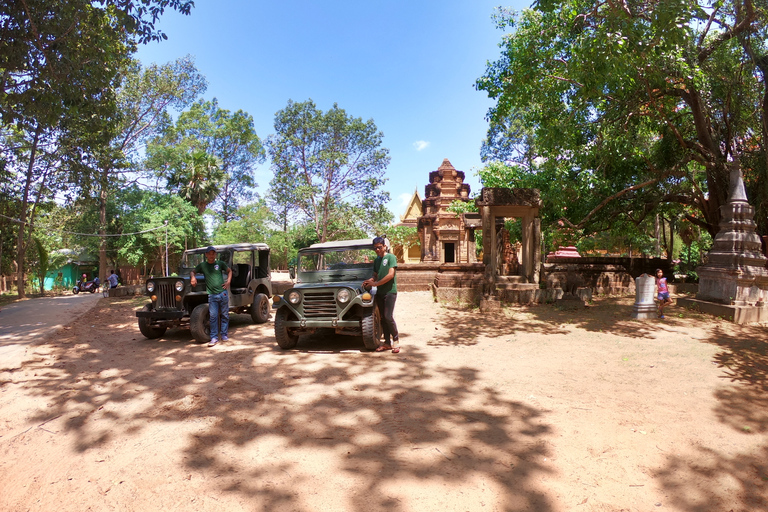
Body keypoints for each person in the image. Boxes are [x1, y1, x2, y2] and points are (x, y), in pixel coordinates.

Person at [189, 246, 232, 347]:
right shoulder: (203, 265)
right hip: (212, 295)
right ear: (206, 255)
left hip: (223, 293)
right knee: (213, 317)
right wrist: (193, 277)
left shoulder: (220, 264)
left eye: (213, 253)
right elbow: (192, 271)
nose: (211, 255)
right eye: (209, 254)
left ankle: (224, 335)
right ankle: (214, 337)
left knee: (225, 315)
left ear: (215, 254)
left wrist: (228, 282)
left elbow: (229, 271)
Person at [363, 236, 400, 353]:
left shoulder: (391, 257)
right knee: (383, 318)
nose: (377, 250)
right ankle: (387, 343)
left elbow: (390, 275)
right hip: (380, 292)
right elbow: (375, 275)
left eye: (379, 247)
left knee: (388, 316)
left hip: (390, 292)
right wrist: (370, 281)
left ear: (384, 246)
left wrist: (376, 284)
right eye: (375, 248)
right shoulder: (377, 260)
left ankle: (396, 340)